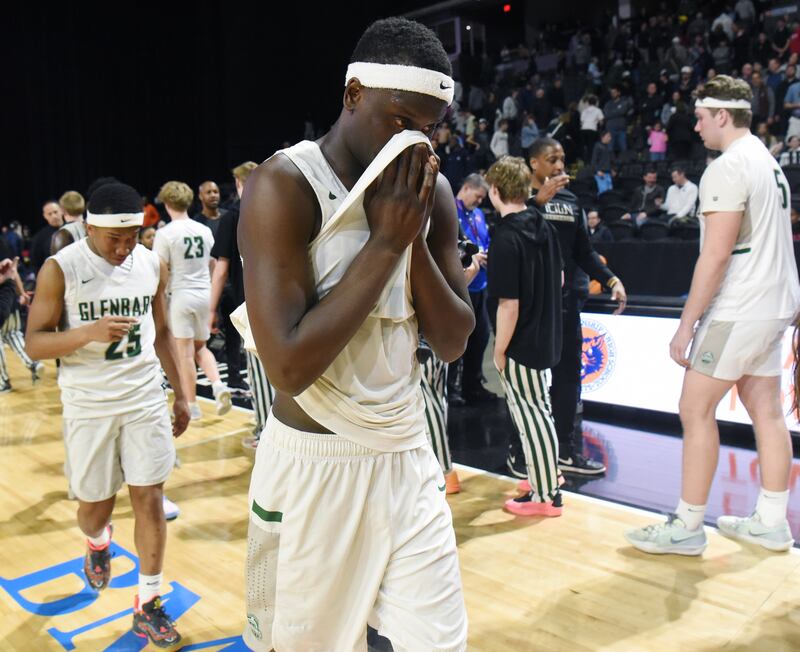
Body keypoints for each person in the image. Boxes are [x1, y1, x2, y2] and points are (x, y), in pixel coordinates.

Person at [237, 17, 473, 651]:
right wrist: (386, 240)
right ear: (353, 95)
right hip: (312, 470)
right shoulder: (282, 187)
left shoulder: (434, 193)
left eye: (429, 128)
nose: (415, 143)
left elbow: (453, 341)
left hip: (406, 456)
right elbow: (286, 365)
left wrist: (411, 240)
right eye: (401, 122)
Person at [626, 75, 800, 555]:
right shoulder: (770, 163)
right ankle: (771, 520)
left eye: (701, 118)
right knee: (765, 410)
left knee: (694, 408)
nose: (696, 127)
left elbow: (716, 255)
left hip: (743, 305)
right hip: (778, 301)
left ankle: (686, 525)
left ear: (723, 115)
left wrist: (687, 324)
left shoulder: (726, 167)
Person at [24, 182, 190, 646]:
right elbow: (36, 342)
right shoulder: (62, 269)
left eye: (133, 236)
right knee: (92, 511)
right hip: (89, 406)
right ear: (90, 228)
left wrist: (180, 395)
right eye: (114, 238)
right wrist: (87, 333)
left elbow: (161, 331)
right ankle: (98, 541)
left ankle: (148, 603)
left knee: (150, 498)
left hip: (142, 399)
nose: (123, 247)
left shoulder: (151, 263)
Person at [516, 137, 627, 478]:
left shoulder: (570, 200)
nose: (560, 166)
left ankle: (565, 449)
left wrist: (610, 280)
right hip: (529, 305)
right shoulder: (517, 196)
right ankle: (519, 452)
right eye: (552, 159)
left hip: (564, 305)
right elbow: (507, 236)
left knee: (568, 379)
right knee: (526, 384)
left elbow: (584, 251)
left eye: (563, 158)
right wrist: (535, 203)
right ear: (534, 163)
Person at [486, 156, 565, 516]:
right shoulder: (543, 224)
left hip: (521, 342)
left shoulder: (505, 236)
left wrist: (499, 349)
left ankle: (545, 494)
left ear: (495, 190)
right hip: (548, 333)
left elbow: (509, 305)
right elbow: (559, 279)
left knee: (530, 416)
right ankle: (547, 476)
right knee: (541, 411)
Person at [153, 181, 231, 420]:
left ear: (167, 203)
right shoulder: (204, 230)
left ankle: (192, 404)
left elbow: (160, 269)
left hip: (180, 295)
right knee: (201, 347)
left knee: (185, 354)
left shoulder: (165, 233)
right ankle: (218, 386)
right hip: (203, 292)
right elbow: (212, 264)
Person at [209, 161, 273, 450]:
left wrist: (210, 309)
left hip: (253, 301)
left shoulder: (233, 214)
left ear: (238, 183)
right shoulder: (281, 205)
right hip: (287, 299)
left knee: (259, 370)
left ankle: (265, 430)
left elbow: (221, 269)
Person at [454, 173, 494, 404]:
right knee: (459, 337)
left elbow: (484, 240)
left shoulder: (478, 214)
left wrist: (485, 252)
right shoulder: (450, 208)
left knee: (481, 336)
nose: (480, 202)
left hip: (481, 284)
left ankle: (473, 384)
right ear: (466, 188)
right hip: (461, 284)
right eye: (478, 197)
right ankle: (453, 388)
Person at [30, 201, 64, 273]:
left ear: (62, 211)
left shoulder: (73, 229)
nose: (54, 216)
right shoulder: (39, 238)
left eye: (55, 212)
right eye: (49, 214)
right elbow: (35, 264)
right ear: (45, 216)